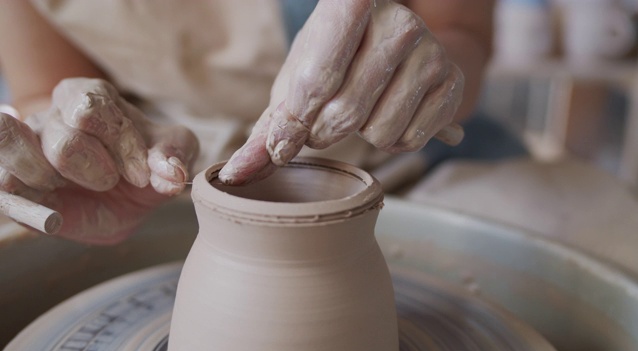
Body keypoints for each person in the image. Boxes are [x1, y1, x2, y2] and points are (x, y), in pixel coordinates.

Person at [0, 0, 495, 244]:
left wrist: (430, 73)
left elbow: (462, 37)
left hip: (390, 156)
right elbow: (46, 90)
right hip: (166, 168)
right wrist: (84, 154)